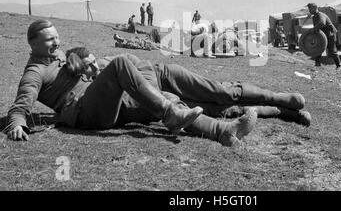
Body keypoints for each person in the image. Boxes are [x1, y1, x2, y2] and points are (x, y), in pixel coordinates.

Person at [4, 20, 204, 143]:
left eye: (57, 37)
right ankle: (170, 115)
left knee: (165, 96)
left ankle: (221, 128)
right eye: (50, 40)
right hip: (84, 113)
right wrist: (17, 124)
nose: (56, 43)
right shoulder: (34, 72)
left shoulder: (57, 55)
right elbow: (21, 104)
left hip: (97, 103)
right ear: (33, 43)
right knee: (120, 64)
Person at [75, 48, 312, 131]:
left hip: (164, 75)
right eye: (88, 67)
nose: (95, 67)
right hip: (159, 97)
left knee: (219, 92)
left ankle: (277, 97)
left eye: (94, 61)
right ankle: (282, 112)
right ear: (79, 71)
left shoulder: (110, 64)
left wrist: (146, 85)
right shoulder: (93, 93)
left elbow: (135, 62)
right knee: (215, 110)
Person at [307, 3, 341, 69]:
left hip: (330, 34)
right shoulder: (314, 17)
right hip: (323, 35)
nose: (309, 10)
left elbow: (322, 23)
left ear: (314, 7)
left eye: (310, 8)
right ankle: (317, 65)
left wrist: (313, 29)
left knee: (332, 51)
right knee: (318, 48)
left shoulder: (320, 15)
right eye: (309, 9)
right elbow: (317, 28)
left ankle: (339, 66)